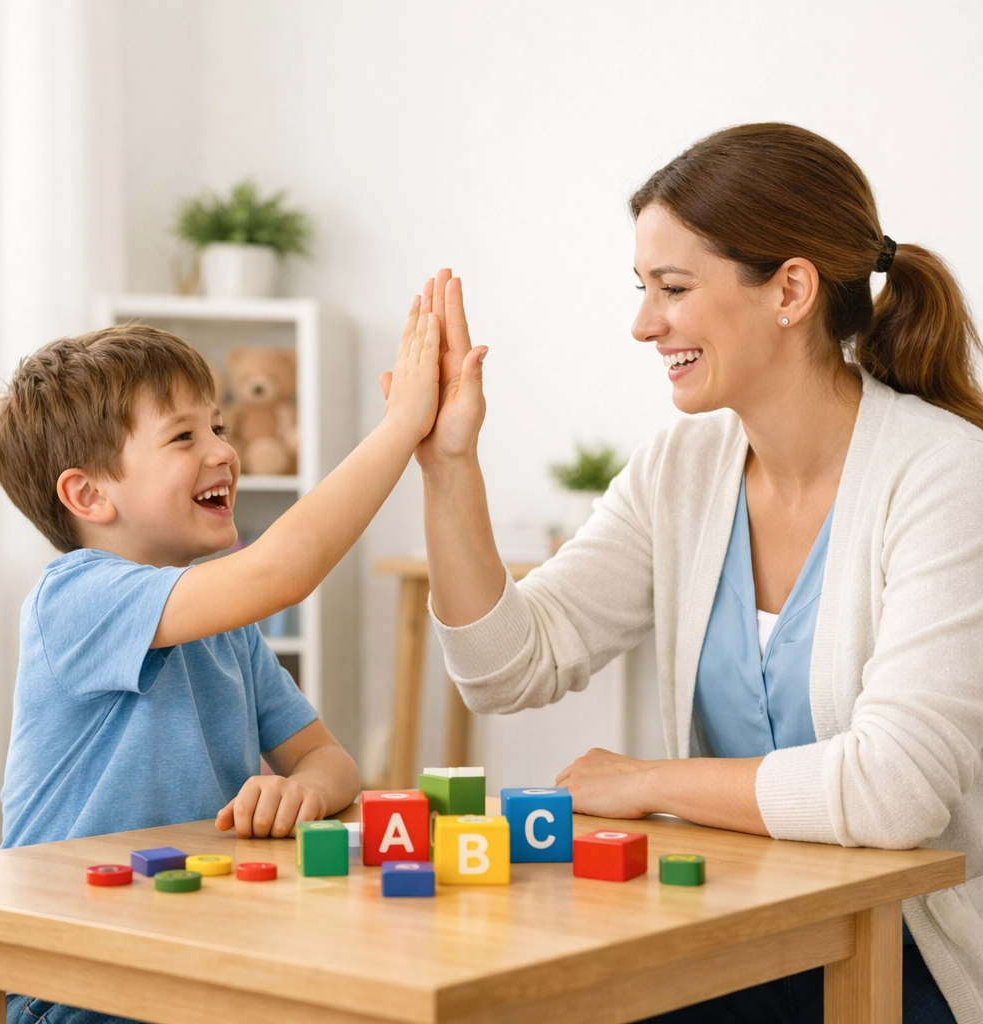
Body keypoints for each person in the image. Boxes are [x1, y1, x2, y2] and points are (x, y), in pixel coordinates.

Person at [412, 125, 983, 1022]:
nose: (644, 324)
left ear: (791, 290)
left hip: (902, 963)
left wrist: (649, 782)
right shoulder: (680, 471)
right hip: (733, 942)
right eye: (643, 289)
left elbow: (893, 790)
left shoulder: (945, 475)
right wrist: (450, 468)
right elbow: (505, 668)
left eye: (673, 289)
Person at [0, 297, 441, 1024]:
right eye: (183, 436)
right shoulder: (72, 598)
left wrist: (304, 790)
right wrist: (399, 428)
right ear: (89, 493)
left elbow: (329, 760)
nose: (223, 451)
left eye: (219, 427)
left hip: (201, 953)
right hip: (79, 981)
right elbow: (282, 572)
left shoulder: (227, 632)